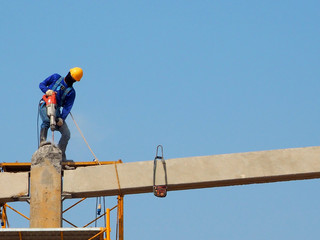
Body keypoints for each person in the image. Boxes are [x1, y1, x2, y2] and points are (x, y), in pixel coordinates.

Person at [39, 67, 83, 161]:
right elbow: (41, 84)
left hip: (57, 110)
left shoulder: (71, 92)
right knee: (47, 120)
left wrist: (61, 118)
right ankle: (42, 142)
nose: (70, 79)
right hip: (45, 104)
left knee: (66, 134)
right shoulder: (55, 77)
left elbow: (67, 107)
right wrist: (46, 90)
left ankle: (60, 155)